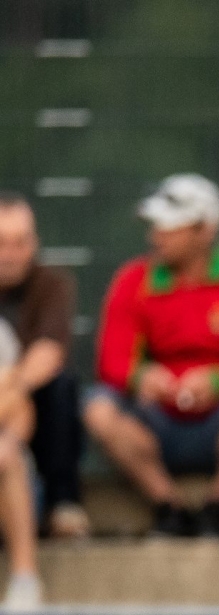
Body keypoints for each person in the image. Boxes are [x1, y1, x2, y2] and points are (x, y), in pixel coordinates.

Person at [84, 174, 219, 537]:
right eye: (155, 226)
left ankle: (218, 504)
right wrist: (140, 377)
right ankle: (168, 505)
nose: (156, 236)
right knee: (98, 408)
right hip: (157, 420)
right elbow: (110, 362)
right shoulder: (132, 280)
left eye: (169, 227)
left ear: (205, 230)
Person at [0, 192, 88, 552]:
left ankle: (61, 502)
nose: (10, 253)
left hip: (17, 416)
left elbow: (48, 355)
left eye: (20, 242)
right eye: (2, 243)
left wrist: (10, 394)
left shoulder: (51, 285)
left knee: (60, 387)